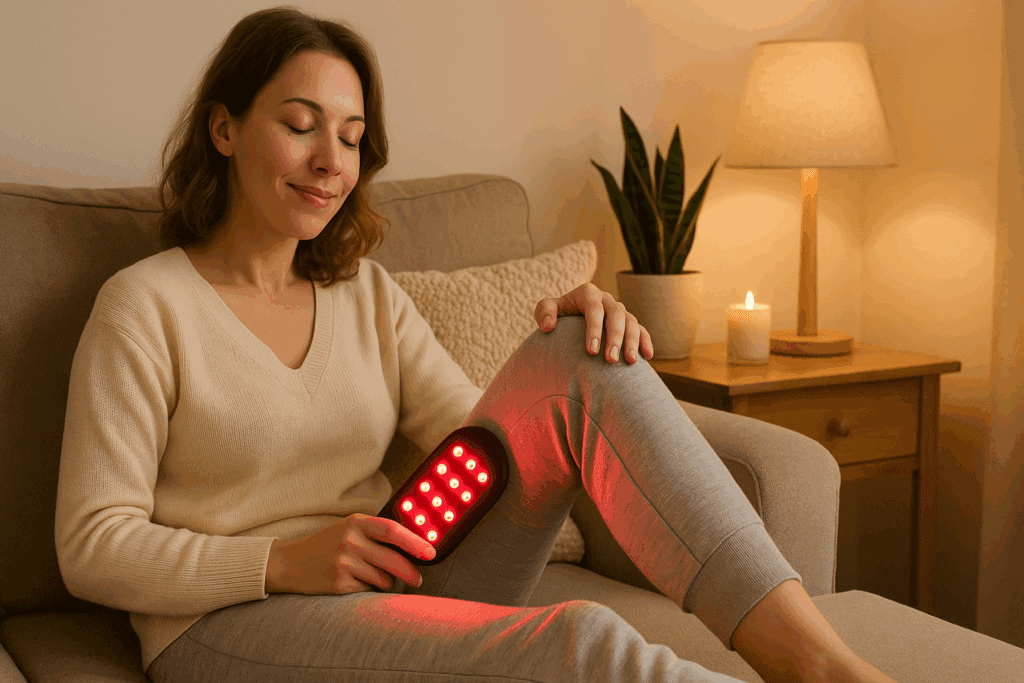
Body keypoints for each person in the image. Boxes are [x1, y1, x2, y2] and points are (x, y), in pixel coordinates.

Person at [54, 6, 900, 682]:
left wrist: (570, 344)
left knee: (579, 348)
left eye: (349, 137)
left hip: (393, 581)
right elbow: (90, 543)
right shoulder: (145, 306)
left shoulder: (365, 294)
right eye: (301, 125)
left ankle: (821, 666)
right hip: (227, 627)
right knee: (582, 641)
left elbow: (484, 437)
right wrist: (281, 561)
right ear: (224, 128)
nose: (330, 161)